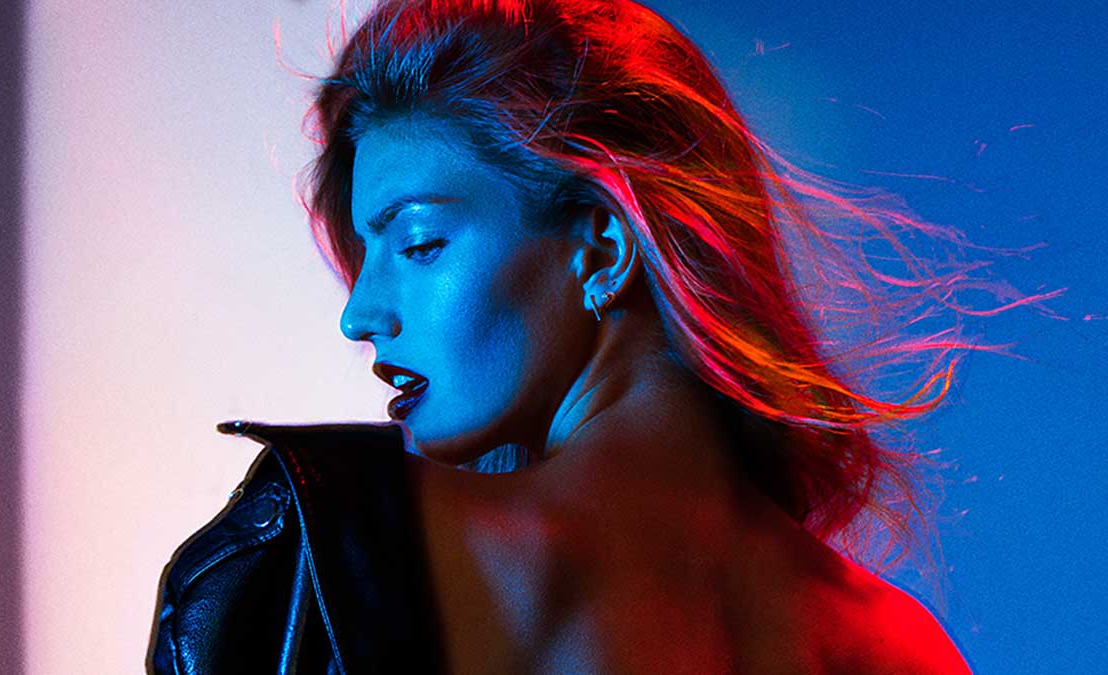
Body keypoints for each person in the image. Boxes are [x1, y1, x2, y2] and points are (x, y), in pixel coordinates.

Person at [149, 0, 1012, 671]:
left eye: (417, 244)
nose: (360, 313)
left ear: (600, 247)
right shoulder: (903, 645)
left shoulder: (321, 550)